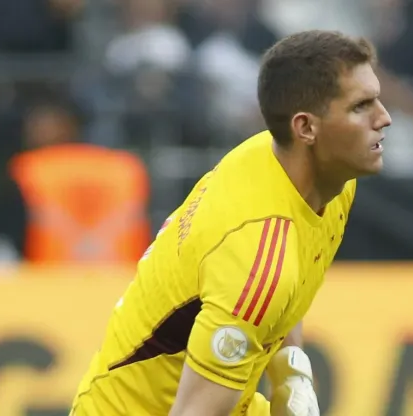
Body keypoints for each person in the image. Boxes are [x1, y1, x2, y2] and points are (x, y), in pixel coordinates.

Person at [69, 29, 391, 416]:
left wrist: (292, 373)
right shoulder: (256, 255)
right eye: (361, 106)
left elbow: (289, 274)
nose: (384, 118)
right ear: (305, 128)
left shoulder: (318, 177)